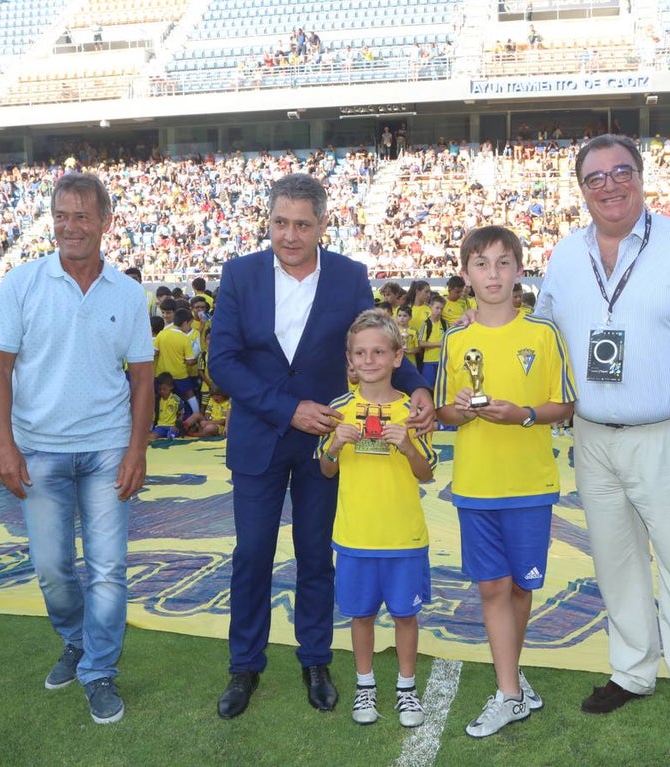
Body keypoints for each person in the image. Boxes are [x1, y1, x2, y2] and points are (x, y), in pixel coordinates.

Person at [534, 134, 670, 750]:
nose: (609, 186)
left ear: (642, 176)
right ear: (581, 189)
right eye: (595, 178)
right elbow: (543, 333)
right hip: (594, 435)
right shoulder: (565, 255)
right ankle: (632, 671)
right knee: (616, 562)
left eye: (620, 172)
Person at [208, 173, 433, 721]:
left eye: (302, 224)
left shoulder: (350, 276)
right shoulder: (238, 274)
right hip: (261, 438)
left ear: (322, 225)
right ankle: (245, 666)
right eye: (280, 222)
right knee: (252, 556)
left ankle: (315, 661)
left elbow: (372, 345)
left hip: (330, 442)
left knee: (316, 556)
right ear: (268, 220)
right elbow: (222, 363)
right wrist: (288, 409)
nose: (290, 235)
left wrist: (418, 385)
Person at [0, 172, 154, 725]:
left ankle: (99, 669)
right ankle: (76, 639)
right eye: (62, 214)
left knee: (108, 569)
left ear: (105, 222)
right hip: (39, 450)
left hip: (108, 448)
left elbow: (143, 380)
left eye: (83, 215)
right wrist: (5, 447)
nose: (70, 226)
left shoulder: (128, 293)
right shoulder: (20, 284)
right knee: (53, 567)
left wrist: (136, 450)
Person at [436, 225, 576, 738]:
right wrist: (462, 413)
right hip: (475, 484)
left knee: (520, 587)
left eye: (502, 263)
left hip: (530, 484)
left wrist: (521, 414)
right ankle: (509, 692)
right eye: (480, 264)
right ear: (466, 274)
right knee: (491, 585)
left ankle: (510, 678)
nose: (492, 274)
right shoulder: (456, 338)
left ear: (519, 270)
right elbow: (446, 411)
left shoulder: (543, 334)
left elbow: (564, 405)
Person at [316, 310, 437, 728]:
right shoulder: (338, 409)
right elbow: (326, 469)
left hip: (403, 536)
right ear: (350, 360)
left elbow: (428, 473)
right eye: (361, 353)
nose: (369, 360)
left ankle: (406, 689)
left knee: (406, 615)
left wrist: (408, 447)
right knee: (361, 615)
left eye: (379, 352)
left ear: (397, 357)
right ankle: (365, 687)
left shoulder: (414, 411)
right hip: (355, 536)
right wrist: (334, 445)